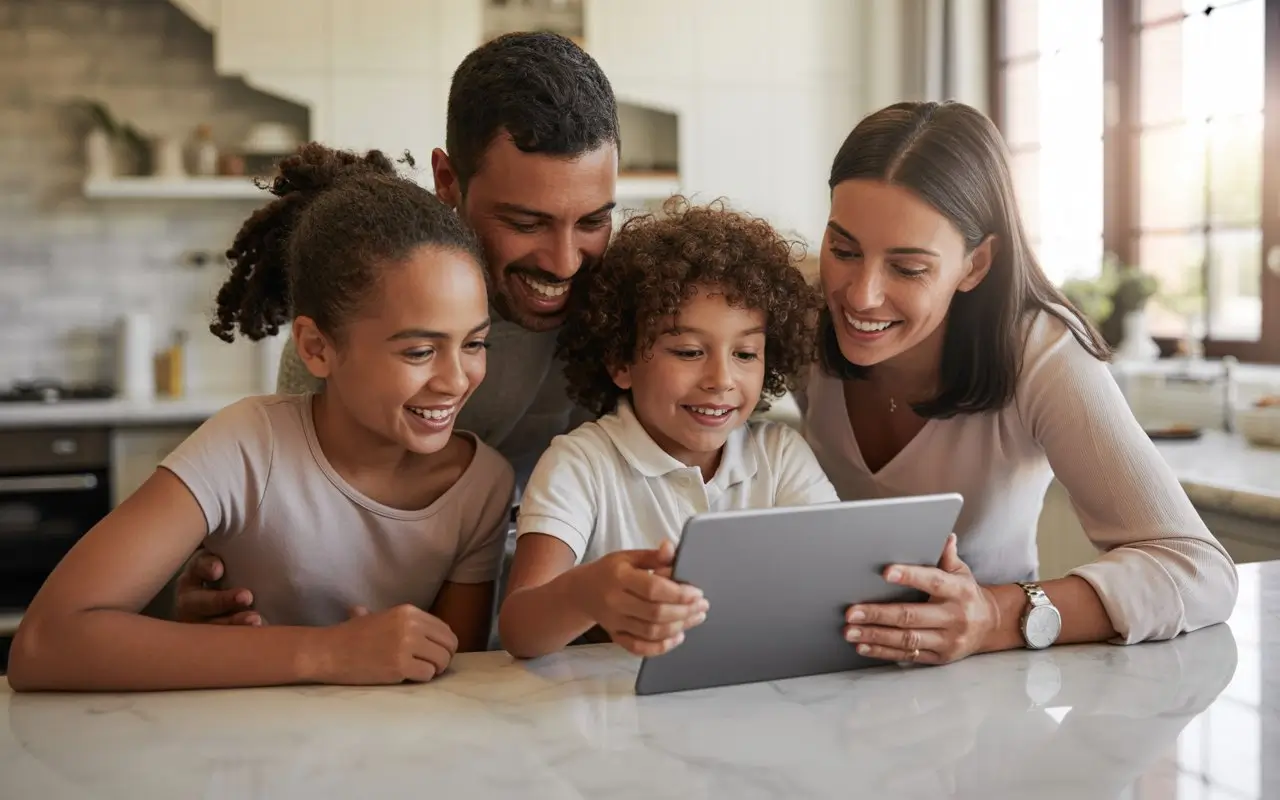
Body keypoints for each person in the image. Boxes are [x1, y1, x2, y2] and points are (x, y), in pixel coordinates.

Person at [6, 143, 515, 692]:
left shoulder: (481, 487)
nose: (456, 379)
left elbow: (455, 687)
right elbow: (45, 644)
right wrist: (326, 652)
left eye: (475, 344)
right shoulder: (244, 447)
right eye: (419, 351)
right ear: (317, 348)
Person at [173, 30, 621, 625]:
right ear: (448, 181)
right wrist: (238, 575)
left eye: (593, 219)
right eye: (526, 221)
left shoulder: (622, 306)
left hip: (546, 637)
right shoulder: (372, 302)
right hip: (379, 635)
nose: (565, 262)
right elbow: (288, 509)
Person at [799, 100, 1238, 666]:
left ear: (976, 264)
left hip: (989, 684)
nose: (860, 295)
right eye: (843, 250)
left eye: (907, 268)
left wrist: (993, 617)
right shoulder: (798, 310)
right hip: (821, 667)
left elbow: (1198, 571)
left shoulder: (1041, 350)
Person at [497, 199, 840, 659]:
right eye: (688, 352)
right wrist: (586, 592)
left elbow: (836, 582)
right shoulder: (581, 464)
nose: (721, 379)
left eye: (744, 354)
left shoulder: (780, 457)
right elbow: (519, 629)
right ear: (621, 360)